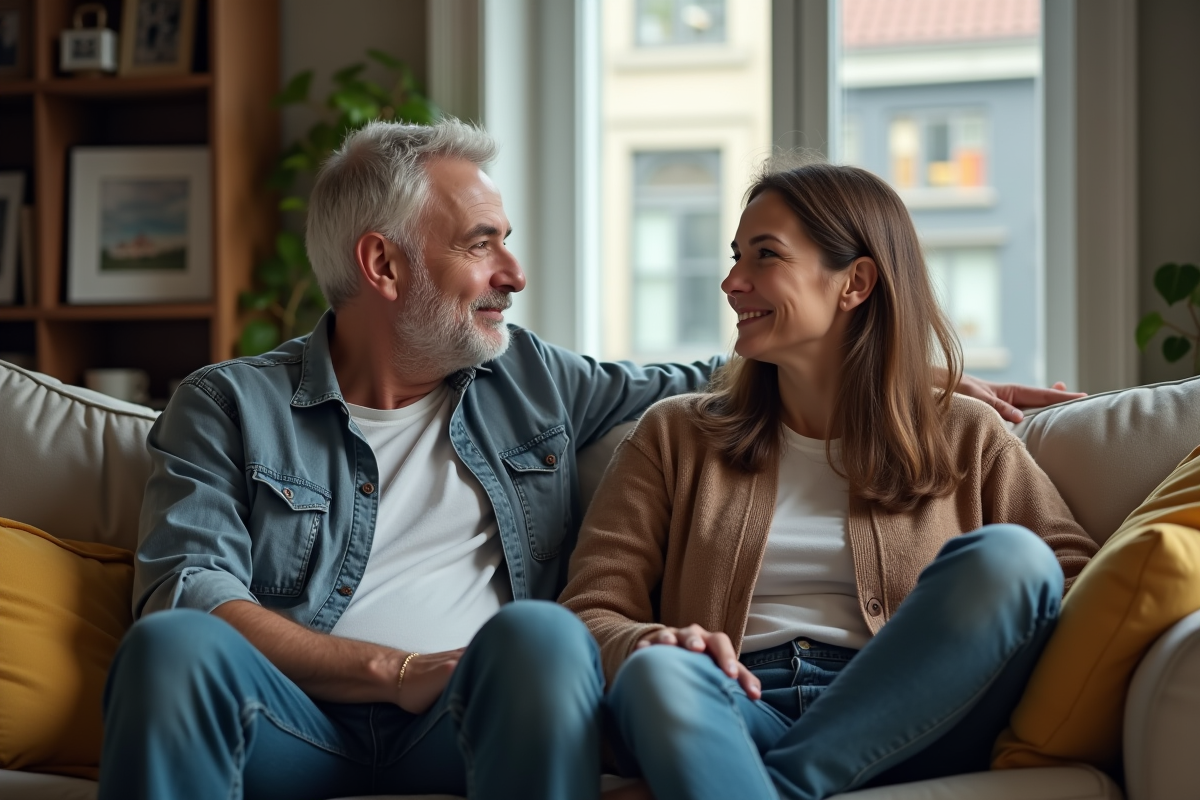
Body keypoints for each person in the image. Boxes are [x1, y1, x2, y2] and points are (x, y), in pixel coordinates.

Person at [99, 119, 1083, 800]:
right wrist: (392, 668)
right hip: (297, 715)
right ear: (384, 265)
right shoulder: (228, 404)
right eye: (483, 245)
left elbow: (722, 367)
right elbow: (191, 587)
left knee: (537, 635)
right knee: (170, 645)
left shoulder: (534, 378)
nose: (516, 275)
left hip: (480, 707)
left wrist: (923, 375)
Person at [560, 160, 1100, 800]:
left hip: (914, 716)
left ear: (856, 282)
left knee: (1012, 559)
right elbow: (590, 612)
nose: (733, 282)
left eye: (766, 256)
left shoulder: (966, 432)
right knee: (660, 674)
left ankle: (779, 786)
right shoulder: (673, 436)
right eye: (736, 257)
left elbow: (1070, 578)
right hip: (735, 711)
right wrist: (654, 639)